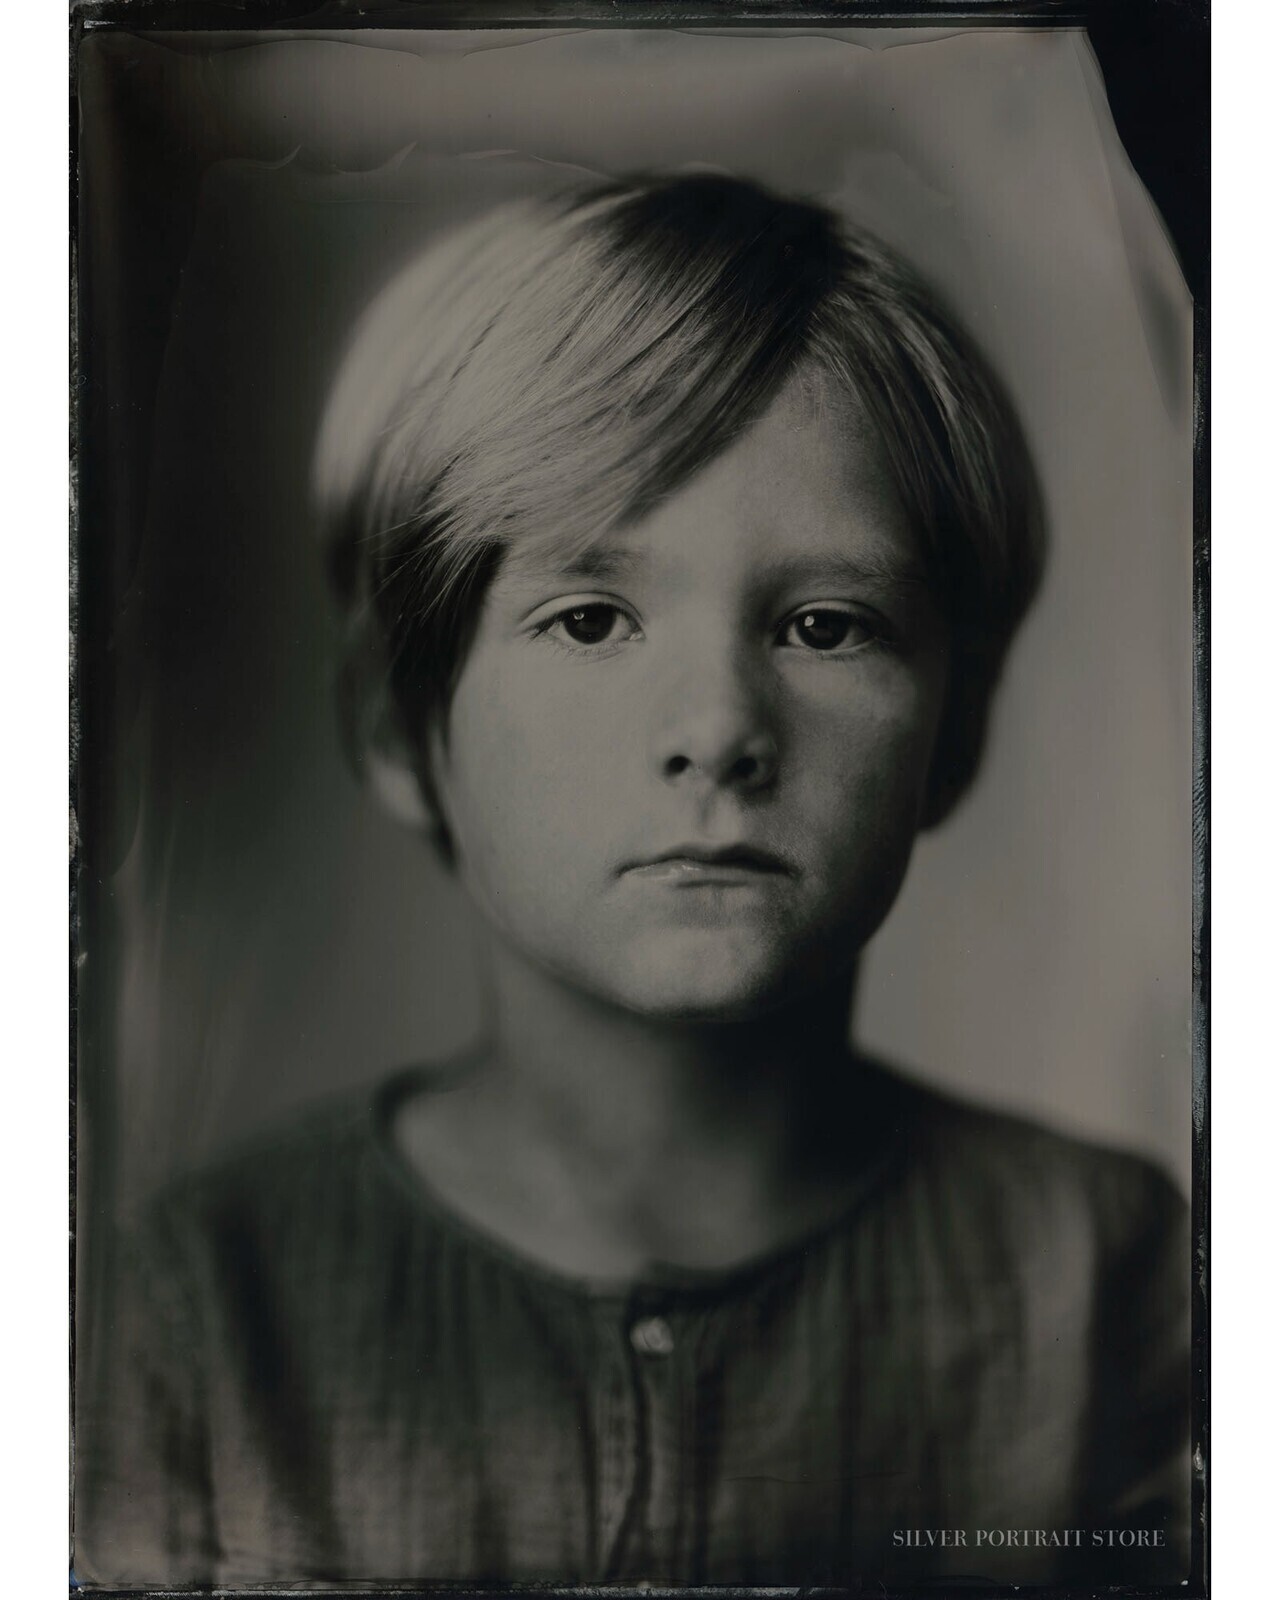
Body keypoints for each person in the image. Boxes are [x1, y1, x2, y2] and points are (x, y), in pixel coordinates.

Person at [75, 172, 1189, 1589]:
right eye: (591, 618)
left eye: (826, 624)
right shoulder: (196, 1309)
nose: (719, 730)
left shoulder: (1113, 1281)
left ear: (956, 730)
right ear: (399, 728)